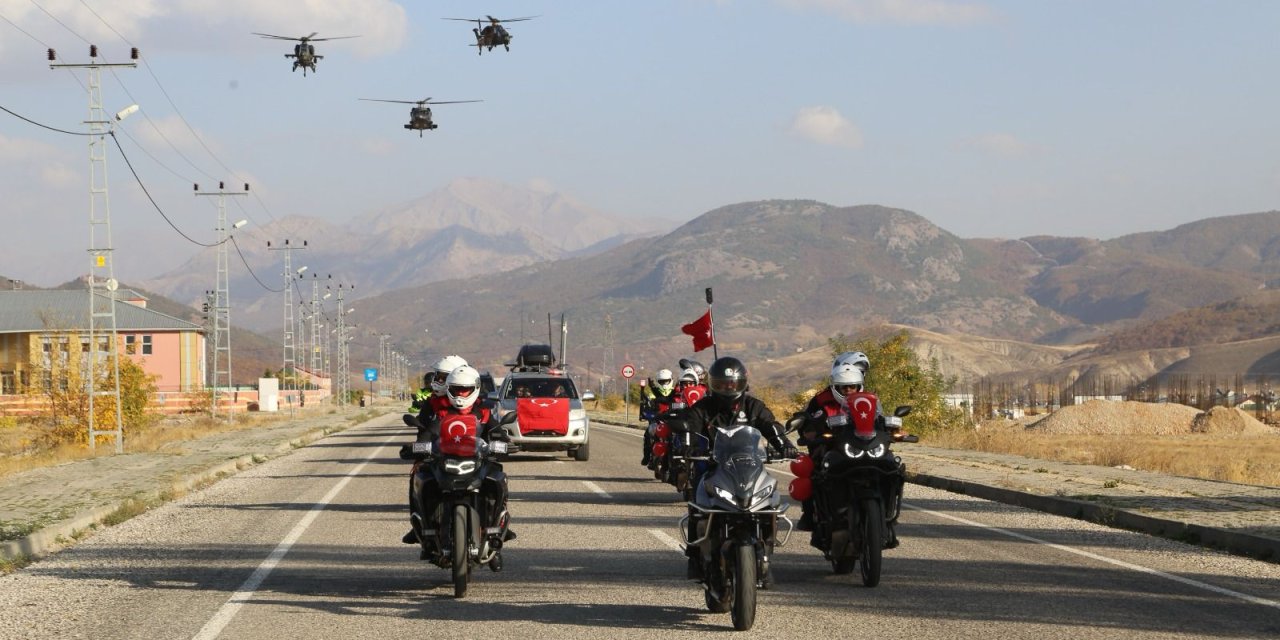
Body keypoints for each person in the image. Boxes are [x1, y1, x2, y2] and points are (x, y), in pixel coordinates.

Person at [666, 356, 798, 583]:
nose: (728, 388)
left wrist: (785, 446)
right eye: (722, 384)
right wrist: (687, 447)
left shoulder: (754, 406)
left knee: (771, 502)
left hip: (749, 468)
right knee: (697, 505)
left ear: (742, 383)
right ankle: (695, 557)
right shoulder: (703, 408)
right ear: (712, 385)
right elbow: (688, 427)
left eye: (733, 384)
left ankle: (765, 552)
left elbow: (770, 426)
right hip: (712, 468)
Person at [404, 365, 516, 550]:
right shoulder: (442, 414)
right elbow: (428, 433)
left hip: (478, 461)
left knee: (498, 477)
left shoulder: (484, 413)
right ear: (449, 389)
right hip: (445, 461)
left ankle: (499, 524)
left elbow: (497, 432)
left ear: (475, 389)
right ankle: (421, 525)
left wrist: (505, 443)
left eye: (466, 390)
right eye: (457, 390)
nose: (461, 394)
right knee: (420, 478)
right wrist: (417, 448)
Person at [797, 357, 904, 549]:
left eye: (852, 387)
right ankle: (810, 516)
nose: (848, 391)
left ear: (859, 385)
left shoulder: (870, 400)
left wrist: (893, 431)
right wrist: (810, 431)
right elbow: (806, 422)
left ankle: (888, 517)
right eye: (843, 388)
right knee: (814, 470)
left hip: (865, 445)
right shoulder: (820, 399)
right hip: (833, 447)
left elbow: (879, 419)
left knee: (893, 468)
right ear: (835, 386)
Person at [640, 369, 677, 467]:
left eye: (666, 381)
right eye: (662, 381)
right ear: (658, 382)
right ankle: (647, 456)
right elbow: (647, 403)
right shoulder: (653, 393)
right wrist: (648, 407)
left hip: (672, 420)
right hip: (657, 420)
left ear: (671, 380)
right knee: (648, 434)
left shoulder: (675, 392)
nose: (664, 383)